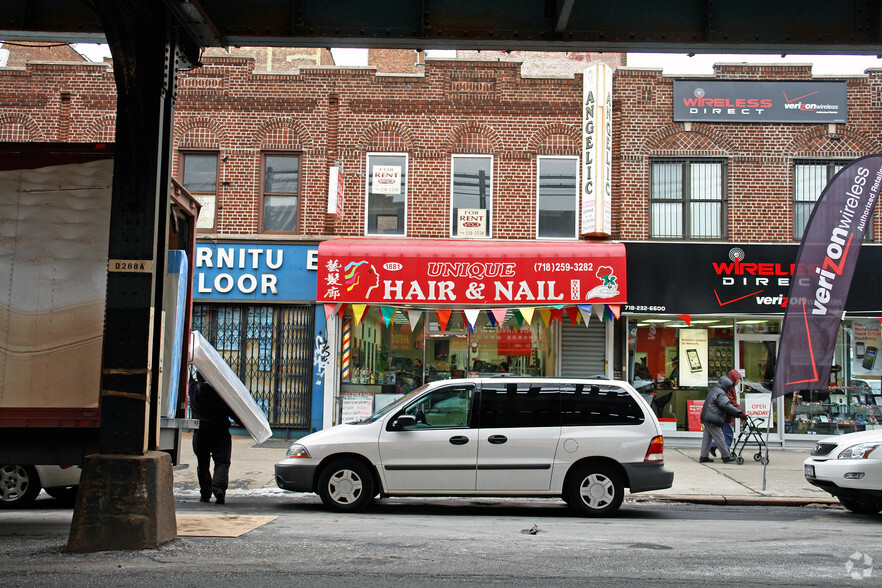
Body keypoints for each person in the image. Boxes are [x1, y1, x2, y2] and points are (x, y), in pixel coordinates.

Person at [189, 371, 238, 504]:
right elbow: (232, 411)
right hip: (220, 431)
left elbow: (187, 378)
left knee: (203, 463)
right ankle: (219, 489)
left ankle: (205, 492)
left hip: (200, 432)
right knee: (222, 462)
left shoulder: (193, 390)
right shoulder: (221, 393)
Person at [699, 370, 746, 464]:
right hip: (712, 418)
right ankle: (726, 456)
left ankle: (704, 456)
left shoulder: (715, 390)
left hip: (707, 417)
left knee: (707, 438)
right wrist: (739, 413)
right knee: (720, 437)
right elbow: (727, 405)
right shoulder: (721, 393)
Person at [711, 369, 744, 456]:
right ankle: (725, 453)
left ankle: (714, 446)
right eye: (737, 379)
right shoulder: (729, 389)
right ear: (733, 379)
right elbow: (730, 402)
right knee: (728, 434)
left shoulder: (730, 388)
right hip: (726, 416)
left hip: (725, 415)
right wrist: (740, 411)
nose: (738, 381)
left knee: (723, 434)